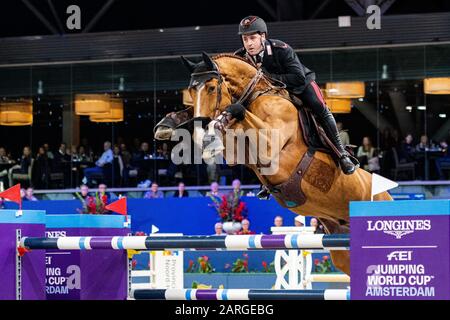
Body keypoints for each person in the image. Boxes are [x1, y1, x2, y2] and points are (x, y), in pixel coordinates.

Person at [233, 16, 358, 176]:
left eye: (252, 38)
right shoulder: (240, 58)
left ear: (263, 36)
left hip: (300, 85)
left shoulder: (281, 49)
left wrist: (268, 77)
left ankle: (342, 154)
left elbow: (297, 77)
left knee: (321, 109)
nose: (249, 43)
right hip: (270, 94)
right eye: (245, 39)